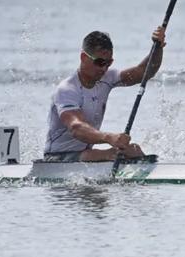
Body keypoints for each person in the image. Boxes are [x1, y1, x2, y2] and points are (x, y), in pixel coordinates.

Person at [44, 28, 166, 161]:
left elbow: (144, 72)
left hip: (85, 154)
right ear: (83, 57)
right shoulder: (67, 89)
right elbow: (76, 127)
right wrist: (109, 138)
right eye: (100, 62)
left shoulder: (107, 78)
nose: (104, 68)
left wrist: (157, 47)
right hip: (57, 157)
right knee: (113, 154)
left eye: (108, 63)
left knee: (133, 150)